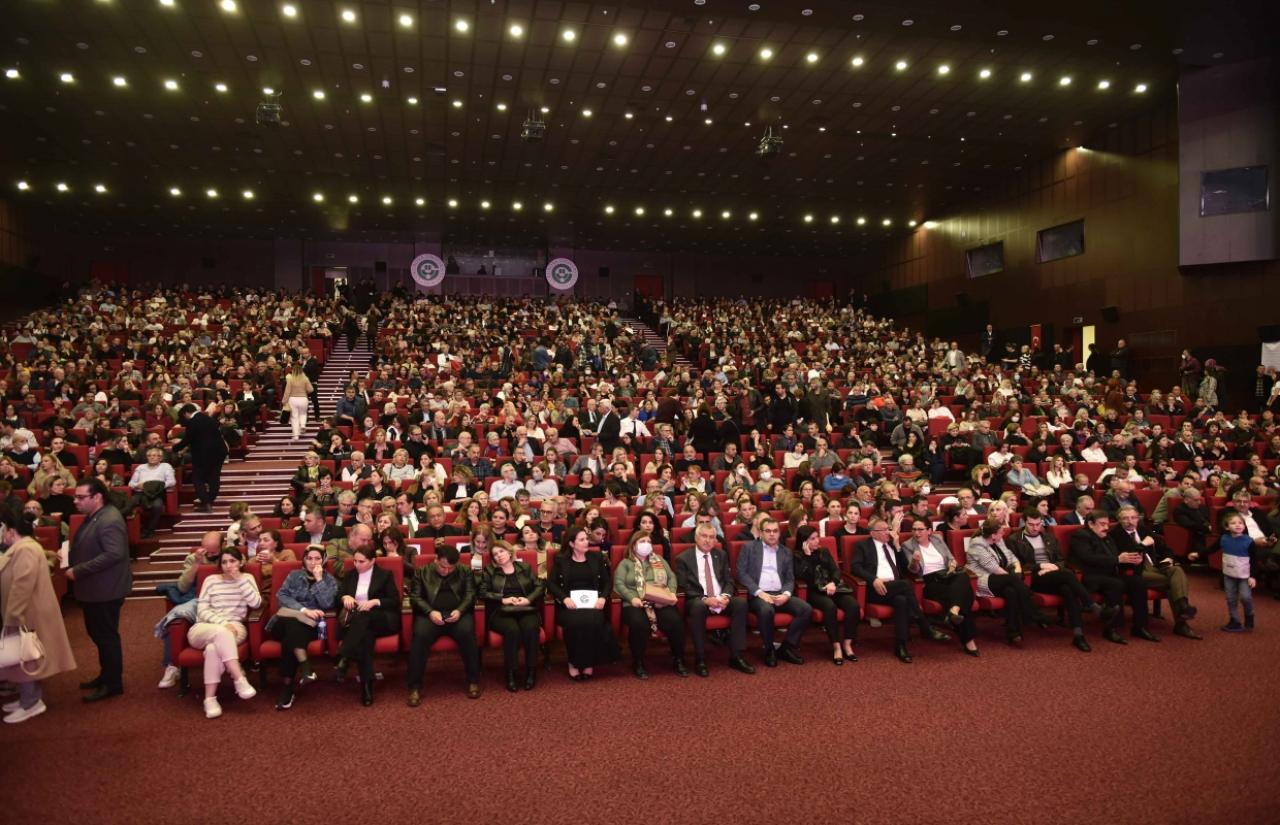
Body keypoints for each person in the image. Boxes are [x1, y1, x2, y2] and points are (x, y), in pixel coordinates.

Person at [0, 504, 76, 723]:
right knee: (27, 657)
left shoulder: (25, 549)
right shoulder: (21, 548)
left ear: (10, 530)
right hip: (27, 612)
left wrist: (13, 617)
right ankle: (27, 698)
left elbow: (22, 586)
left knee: (28, 657)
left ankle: (31, 703)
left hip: (27, 613)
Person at [851, 518, 951, 663]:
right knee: (905, 585)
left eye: (888, 528)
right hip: (875, 589)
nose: (888, 532)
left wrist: (897, 546)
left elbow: (905, 569)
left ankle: (901, 645)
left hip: (895, 588)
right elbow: (856, 567)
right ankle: (925, 627)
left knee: (902, 601)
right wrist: (874, 579)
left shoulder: (893, 545)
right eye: (883, 530)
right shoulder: (863, 546)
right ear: (872, 533)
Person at [66, 478, 131, 702]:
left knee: (106, 637)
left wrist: (80, 569)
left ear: (97, 497)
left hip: (105, 589)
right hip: (95, 588)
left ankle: (113, 684)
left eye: (81, 497)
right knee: (99, 635)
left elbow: (115, 554)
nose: (76, 501)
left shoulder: (109, 519)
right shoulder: (96, 516)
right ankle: (106, 676)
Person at [1007, 511, 1109, 652]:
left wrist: (1054, 567)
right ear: (1024, 522)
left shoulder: (1049, 537)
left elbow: (1060, 559)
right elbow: (1015, 564)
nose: (1035, 528)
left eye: (1038, 524)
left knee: (1068, 589)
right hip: (1033, 577)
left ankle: (1078, 635)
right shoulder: (1014, 539)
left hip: (1054, 573)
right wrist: (1040, 566)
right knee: (1068, 575)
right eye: (1031, 524)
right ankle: (1091, 605)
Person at [188, 547, 261, 719]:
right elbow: (202, 609)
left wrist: (239, 580)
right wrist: (222, 623)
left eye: (232, 561)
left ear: (241, 562)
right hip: (205, 627)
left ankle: (210, 698)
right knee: (221, 633)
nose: (228, 565)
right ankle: (239, 678)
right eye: (224, 562)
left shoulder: (247, 578)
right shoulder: (211, 580)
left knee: (213, 649)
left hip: (236, 627)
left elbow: (256, 604)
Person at [673, 524, 755, 676]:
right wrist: (705, 599)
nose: (708, 540)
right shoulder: (684, 558)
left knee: (741, 603)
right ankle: (701, 659)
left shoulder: (720, 555)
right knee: (698, 607)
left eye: (711, 537)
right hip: (698, 599)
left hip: (720, 597)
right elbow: (683, 586)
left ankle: (736, 656)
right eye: (704, 536)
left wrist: (725, 596)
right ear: (696, 538)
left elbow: (729, 581)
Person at [1109, 506, 1202, 640]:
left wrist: (1169, 558)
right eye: (1125, 518)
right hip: (1135, 571)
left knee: (1176, 569)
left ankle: (1183, 605)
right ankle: (1182, 621)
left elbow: (1164, 548)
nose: (1130, 521)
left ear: (1138, 518)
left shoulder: (1143, 529)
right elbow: (1127, 555)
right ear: (1119, 520)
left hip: (1156, 566)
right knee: (1173, 585)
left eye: (1133, 517)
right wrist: (1143, 543)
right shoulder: (1115, 534)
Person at [406, 544, 482, 706]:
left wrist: (460, 611)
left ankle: (473, 680)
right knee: (419, 638)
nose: (446, 571)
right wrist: (430, 612)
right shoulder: (422, 572)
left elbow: (470, 594)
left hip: (457, 614)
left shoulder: (465, 571)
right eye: (443, 566)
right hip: (430, 615)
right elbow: (415, 597)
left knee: (468, 635)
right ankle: (415, 686)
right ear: (436, 560)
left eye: (451, 568)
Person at [1070, 511, 1158, 644]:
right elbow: (1088, 558)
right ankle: (1111, 628)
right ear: (1090, 524)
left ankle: (1140, 626)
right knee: (1116, 584)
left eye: (1107, 524)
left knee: (1138, 582)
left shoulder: (1107, 537)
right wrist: (1118, 559)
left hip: (1110, 574)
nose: (1106, 527)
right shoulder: (1081, 536)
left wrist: (1131, 559)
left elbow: (1117, 557)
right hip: (1090, 576)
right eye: (1102, 524)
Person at [269, 545, 337, 710]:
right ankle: (305, 666)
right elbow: (282, 597)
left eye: (317, 559)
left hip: (308, 627)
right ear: (304, 560)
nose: (313, 562)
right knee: (292, 624)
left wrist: (319, 580)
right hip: (282, 621)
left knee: (290, 638)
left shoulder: (329, 580)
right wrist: (304, 610)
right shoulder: (294, 575)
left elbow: (328, 603)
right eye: (309, 558)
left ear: (324, 560)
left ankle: (288, 687)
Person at [736, 517, 812, 666]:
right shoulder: (749, 548)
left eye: (775, 531)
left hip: (780, 593)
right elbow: (741, 573)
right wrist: (759, 592)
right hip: (759, 595)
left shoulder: (786, 552)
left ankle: (787, 647)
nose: (772, 534)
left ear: (779, 533)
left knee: (806, 609)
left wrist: (786, 594)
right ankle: (769, 649)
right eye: (768, 531)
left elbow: (790, 578)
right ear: (761, 533)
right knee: (766, 610)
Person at [613, 530, 687, 679]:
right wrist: (632, 598)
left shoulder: (659, 560)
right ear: (633, 546)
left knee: (675, 622)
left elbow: (672, 578)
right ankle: (638, 662)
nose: (646, 545)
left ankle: (678, 659)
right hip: (636, 603)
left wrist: (670, 593)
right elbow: (618, 584)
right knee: (639, 624)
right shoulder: (626, 563)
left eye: (648, 542)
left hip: (660, 601)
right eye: (642, 542)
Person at [966, 519, 1052, 645]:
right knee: (1013, 580)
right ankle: (1033, 612)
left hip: (1002, 579)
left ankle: (1013, 632)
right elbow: (994, 569)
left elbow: (1011, 556)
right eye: (1001, 532)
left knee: (1011, 591)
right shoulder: (976, 544)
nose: (1003, 534)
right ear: (993, 535)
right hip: (983, 580)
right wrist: (1013, 578)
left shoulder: (999, 541)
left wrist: (1017, 567)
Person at [335, 540, 400, 706]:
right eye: (355, 561)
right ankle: (366, 687)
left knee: (364, 616)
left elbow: (394, 600)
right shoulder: (350, 575)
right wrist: (345, 597)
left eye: (361, 561)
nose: (357, 564)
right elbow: (338, 596)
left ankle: (345, 656)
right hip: (359, 623)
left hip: (382, 619)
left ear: (372, 561)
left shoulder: (384, 575)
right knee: (365, 638)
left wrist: (374, 602)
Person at [902, 518, 979, 657]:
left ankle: (953, 611)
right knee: (963, 595)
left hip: (948, 575)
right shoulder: (908, 545)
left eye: (920, 529)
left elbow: (950, 558)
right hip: (929, 581)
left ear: (929, 531)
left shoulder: (937, 539)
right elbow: (913, 571)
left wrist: (952, 564)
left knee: (963, 577)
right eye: (914, 529)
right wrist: (914, 561)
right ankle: (968, 640)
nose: (916, 533)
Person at [547, 528, 616, 680]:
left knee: (594, 620)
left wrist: (603, 598)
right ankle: (574, 662)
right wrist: (564, 598)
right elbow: (551, 584)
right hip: (570, 605)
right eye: (582, 539)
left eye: (586, 539)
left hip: (593, 604)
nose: (587, 542)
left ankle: (588, 662)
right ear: (572, 543)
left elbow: (607, 583)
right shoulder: (561, 560)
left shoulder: (596, 557)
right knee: (576, 622)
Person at [793, 525, 861, 664]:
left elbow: (835, 570)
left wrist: (833, 583)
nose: (817, 541)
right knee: (830, 607)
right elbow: (804, 578)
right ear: (804, 541)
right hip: (814, 591)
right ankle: (836, 646)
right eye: (812, 539)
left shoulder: (824, 551)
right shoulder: (797, 555)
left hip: (832, 587)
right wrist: (807, 557)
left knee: (853, 605)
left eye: (817, 537)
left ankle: (847, 644)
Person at [481, 542, 544, 691]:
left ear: (509, 552)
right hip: (501, 611)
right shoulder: (490, 571)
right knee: (512, 630)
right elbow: (482, 592)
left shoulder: (525, 568)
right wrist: (502, 599)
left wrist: (528, 599)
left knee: (530, 628)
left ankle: (531, 671)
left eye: (501, 552)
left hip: (526, 608)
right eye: (495, 554)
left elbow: (539, 586)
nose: (499, 556)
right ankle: (510, 673)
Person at [171, 403, 228, 512]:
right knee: (214, 476)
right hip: (219, 451)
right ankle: (210, 500)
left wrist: (174, 449)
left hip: (203, 454)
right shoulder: (208, 418)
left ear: (186, 413)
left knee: (197, 478)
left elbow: (187, 440)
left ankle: (206, 502)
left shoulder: (193, 422)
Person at [1218, 512, 1259, 632]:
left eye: (1240, 523)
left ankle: (1249, 616)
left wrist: (1253, 576)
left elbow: (1254, 560)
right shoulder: (1224, 538)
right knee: (1231, 598)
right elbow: (1212, 549)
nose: (1237, 525)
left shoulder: (1249, 541)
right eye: (1233, 523)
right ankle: (1234, 620)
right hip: (1229, 574)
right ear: (1227, 526)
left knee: (1246, 597)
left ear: (1244, 526)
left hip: (1245, 576)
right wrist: (1198, 554)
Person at [282, 363, 314, 441]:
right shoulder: (305, 378)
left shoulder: (290, 379)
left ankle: (296, 435)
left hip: (292, 399)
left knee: (294, 417)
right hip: (303, 398)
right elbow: (311, 389)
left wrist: (284, 400)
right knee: (303, 414)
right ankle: (303, 425)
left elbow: (287, 391)